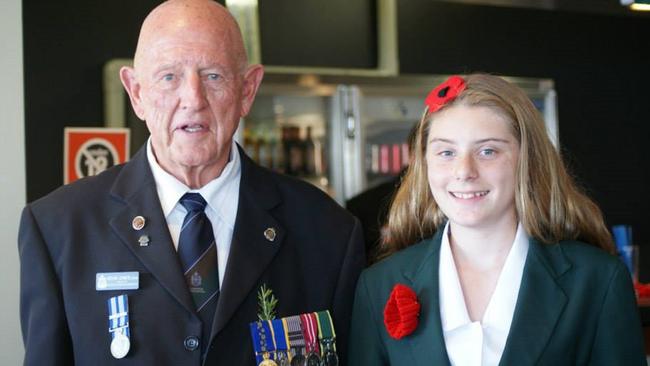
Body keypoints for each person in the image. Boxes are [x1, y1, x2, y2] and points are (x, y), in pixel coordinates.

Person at [18, 1, 364, 365]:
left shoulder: (328, 231)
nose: (193, 99)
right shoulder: (58, 229)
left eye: (213, 75)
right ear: (136, 92)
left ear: (247, 89)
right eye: (169, 77)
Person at [348, 74, 645, 365]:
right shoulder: (378, 285)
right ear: (423, 164)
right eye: (446, 152)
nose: (464, 171)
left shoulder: (598, 281)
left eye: (488, 151)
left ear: (527, 160)